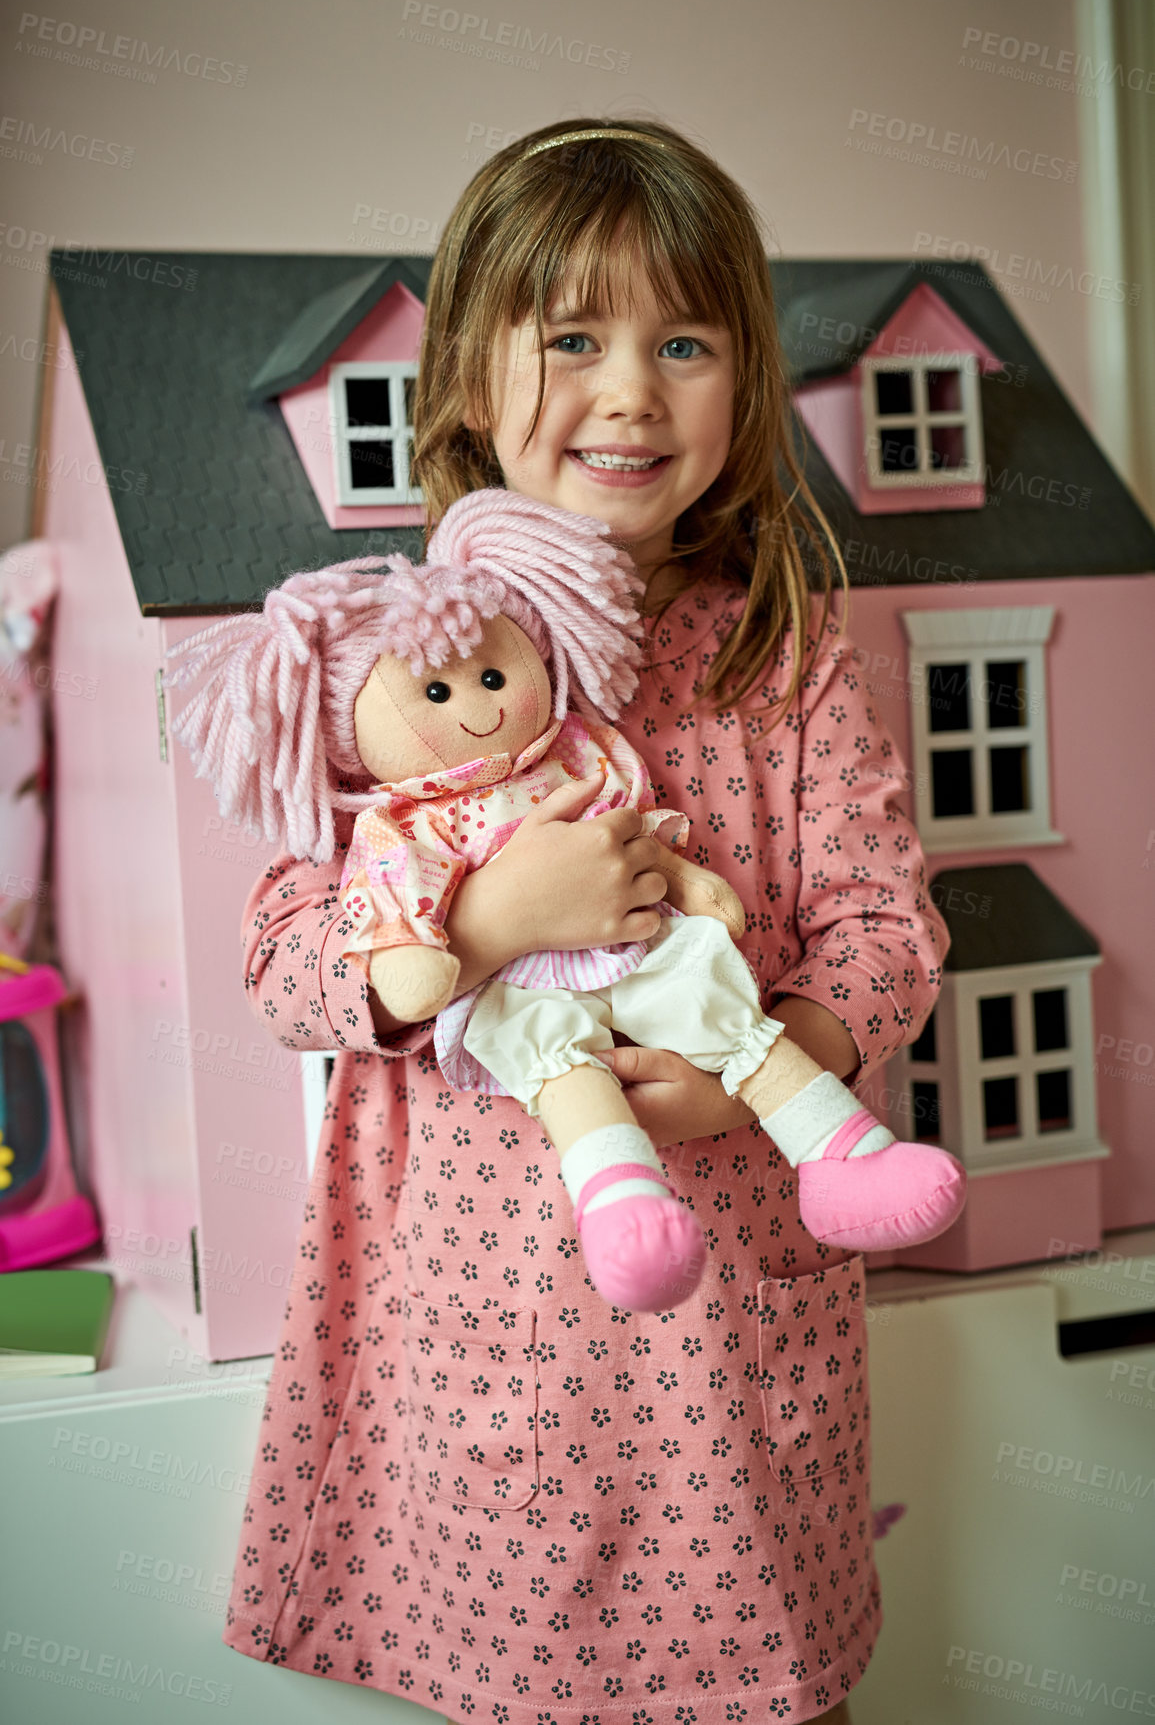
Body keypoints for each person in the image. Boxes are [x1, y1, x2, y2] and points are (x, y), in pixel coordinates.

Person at [220, 118, 949, 1725]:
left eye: (682, 341)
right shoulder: (391, 652)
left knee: (778, 1688)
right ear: (473, 378)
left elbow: (885, 920)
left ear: (743, 382)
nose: (630, 391)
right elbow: (282, 960)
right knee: (518, 1677)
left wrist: (797, 1047)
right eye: (573, 340)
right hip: (489, 1336)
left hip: (733, 1337)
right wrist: (478, 924)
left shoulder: (783, 653)